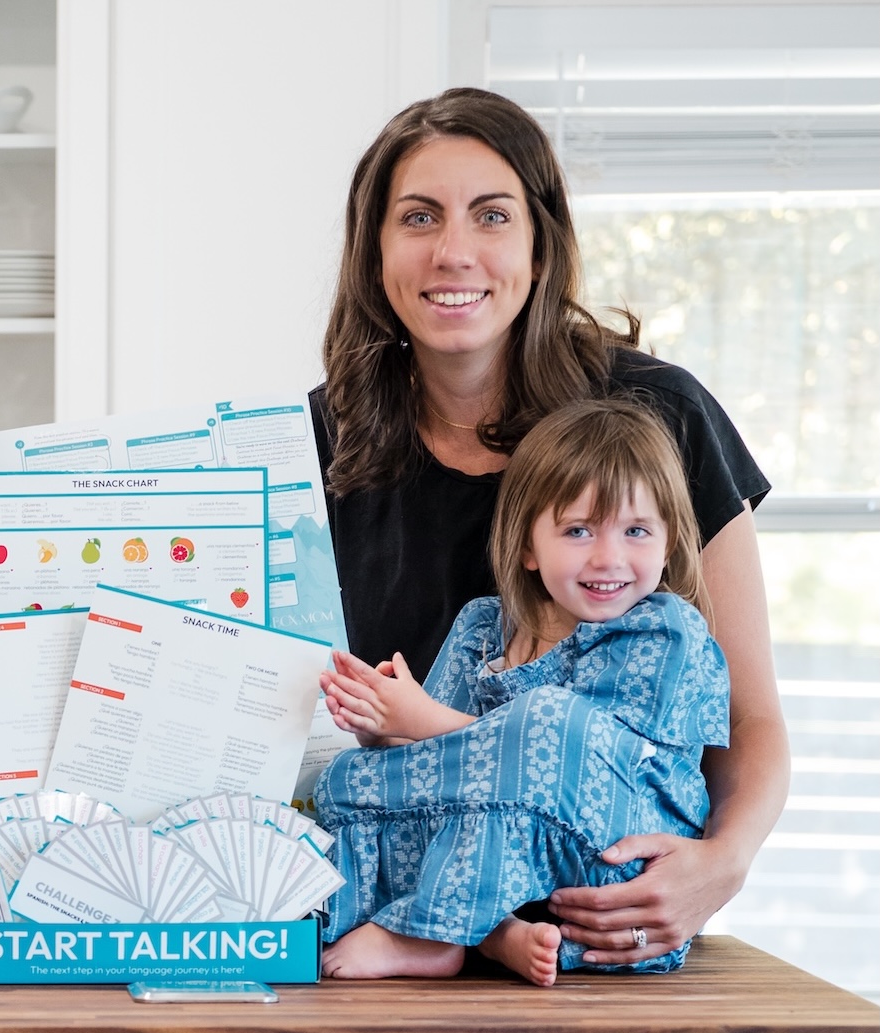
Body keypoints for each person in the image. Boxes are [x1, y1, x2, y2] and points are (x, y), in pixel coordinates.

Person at [309, 86, 786, 968]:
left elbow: (748, 715)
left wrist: (720, 864)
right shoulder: (316, 445)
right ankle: (452, 930)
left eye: (490, 215)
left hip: (600, 915)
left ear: (540, 241)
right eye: (418, 217)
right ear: (375, 250)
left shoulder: (658, 417)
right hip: (388, 927)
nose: (453, 252)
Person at [314, 399, 728, 984]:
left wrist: (424, 719)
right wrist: (383, 725)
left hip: (615, 860)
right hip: (515, 865)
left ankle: (423, 931)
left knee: (548, 723)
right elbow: (446, 764)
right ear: (529, 546)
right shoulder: (486, 628)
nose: (609, 557)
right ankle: (490, 934)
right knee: (348, 778)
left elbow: (571, 758)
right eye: (578, 530)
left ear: (667, 543)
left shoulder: (663, 630)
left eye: (637, 531)